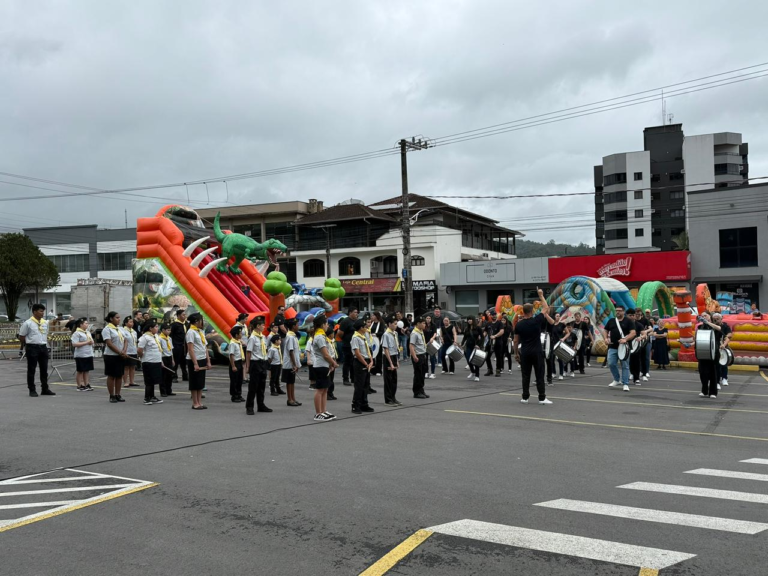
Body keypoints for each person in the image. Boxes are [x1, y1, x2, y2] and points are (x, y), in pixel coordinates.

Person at [514, 289, 553, 405]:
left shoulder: (519, 324)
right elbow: (546, 308)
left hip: (525, 352)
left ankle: (525, 397)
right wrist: (541, 295)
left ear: (523, 311)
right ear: (532, 311)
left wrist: (516, 353)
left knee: (525, 375)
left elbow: (515, 341)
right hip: (536, 352)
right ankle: (542, 398)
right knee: (539, 375)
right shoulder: (537, 321)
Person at [19, 304, 55, 398]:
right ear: (34, 312)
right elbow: (22, 336)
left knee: (44, 369)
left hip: (43, 347)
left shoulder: (44, 322)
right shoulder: (28, 323)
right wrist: (29, 345)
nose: (42, 313)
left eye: (43, 311)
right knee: (32, 369)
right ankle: (32, 389)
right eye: (40, 311)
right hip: (32, 347)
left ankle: (45, 389)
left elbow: (45, 334)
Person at [312, 315, 338, 421]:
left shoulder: (322, 336)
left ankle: (323, 410)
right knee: (320, 389)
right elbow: (325, 354)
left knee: (325, 389)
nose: (327, 326)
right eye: (326, 324)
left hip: (325, 365)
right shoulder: (319, 337)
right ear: (322, 324)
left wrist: (331, 364)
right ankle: (318, 413)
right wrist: (333, 363)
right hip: (320, 365)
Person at [605, 305, 637, 392]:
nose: (617, 312)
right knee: (611, 363)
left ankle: (625, 383)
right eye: (616, 310)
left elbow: (633, 333)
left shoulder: (629, 321)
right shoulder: (611, 321)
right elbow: (606, 330)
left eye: (619, 310)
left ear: (623, 312)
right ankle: (616, 379)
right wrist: (606, 338)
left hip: (624, 347)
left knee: (625, 366)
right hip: (613, 346)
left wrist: (625, 339)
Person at [245, 316, 272, 415]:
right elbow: (248, 352)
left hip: (263, 362)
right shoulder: (252, 338)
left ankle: (261, 405)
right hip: (255, 363)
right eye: (262, 325)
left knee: (262, 385)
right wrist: (248, 366)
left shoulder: (262, 337)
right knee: (253, 386)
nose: (264, 326)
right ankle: (249, 406)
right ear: (257, 326)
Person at [186, 313, 211, 410]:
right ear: (196, 321)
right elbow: (191, 349)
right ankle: (195, 403)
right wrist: (195, 363)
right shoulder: (191, 332)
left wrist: (208, 361)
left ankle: (200, 402)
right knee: (194, 382)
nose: (202, 321)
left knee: (201, 382)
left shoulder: (200, 331)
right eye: (201, 320)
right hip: (194, 360)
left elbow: (205, 347)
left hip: (202, 358)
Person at [102, 311, 127, 403]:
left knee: (119, 375)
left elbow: (125, 340)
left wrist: (124, 350)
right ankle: (111, 395)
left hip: (121, 355)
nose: (119, 319)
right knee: (112, 376)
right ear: (111, 319)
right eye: (117, 317)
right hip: (111, 356)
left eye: (119, 317)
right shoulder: (107, 329)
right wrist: (120, 352)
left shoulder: (120, 329)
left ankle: (118, 394)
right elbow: (109, 343)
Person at [137, 321, 164, 406]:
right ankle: (147, 397)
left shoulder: (155, 336)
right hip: (148, 361)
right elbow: (139, 350)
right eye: (155, 327)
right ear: (150, 328)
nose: (157, 328)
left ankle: (152, 396)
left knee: (154, 380)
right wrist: (142, 357)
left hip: (156, 361)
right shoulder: (145, 337)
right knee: (149, 381)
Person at [350, 318, 374, 414]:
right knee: (359, 385)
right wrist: (365, 363)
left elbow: (368, 350)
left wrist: (371, 360)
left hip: (367, 361)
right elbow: (357, 353)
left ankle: (364, 404)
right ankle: (356, 405)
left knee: (366, 385)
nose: (366, 328)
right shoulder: (355, 338)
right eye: (365, 327)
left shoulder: (363, 336)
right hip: (360, 362)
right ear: (360, 328)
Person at [696, 312, 721, 399]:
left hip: (713, 352)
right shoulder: (700, 327)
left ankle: (713, 392)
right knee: (702, 373)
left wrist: (707, 323)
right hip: (703, 352)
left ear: (710, 316)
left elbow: (719, 328)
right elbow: (698, 339)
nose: (703, 317)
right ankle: (704, 390)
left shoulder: (714, 325)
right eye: (702, 316)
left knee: (713, 373)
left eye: (705, 315)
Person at [381, 315, 401, 406]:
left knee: (394, 379)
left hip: (394, 356)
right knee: (388, 379)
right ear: (389, 324)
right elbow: (386, 349)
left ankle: (393, 397)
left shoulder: (395, 333)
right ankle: (388, 399)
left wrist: (396, 361)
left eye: (396, 324)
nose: (396, 325)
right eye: (395, 324)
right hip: (388, 357)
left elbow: (396, 348)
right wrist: (390, 363)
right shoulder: (386, 334)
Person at [70, 317, 95, 392]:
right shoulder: (77, 333)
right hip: (81, 354)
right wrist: (87, 342)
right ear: (81, 324)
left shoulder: (87, 332)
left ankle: (86, 384)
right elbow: (74, 344)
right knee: (80, 370)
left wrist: (91, 342)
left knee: (86, 370)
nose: (87, 324)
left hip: (88, 353)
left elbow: (91, 340)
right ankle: (79, 385)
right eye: (86, 323)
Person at [282, 318, 302, 407]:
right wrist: (294, 364)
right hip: (289, 364)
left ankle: (293, 398)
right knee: (289, 382)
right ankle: (289, 399)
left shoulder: (293, 336)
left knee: (292, 382)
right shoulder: (290, 337)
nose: (298, 326)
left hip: (292, 363)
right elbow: (291, 351)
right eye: (297, 324)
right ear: (293, 326)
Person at [410, 317, 430, 399]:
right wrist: (414, 356)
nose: (424, 325)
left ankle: (421, 390)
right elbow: (411, 346)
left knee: (422, 374)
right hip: (417, 355)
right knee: (418, 374)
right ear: (418, 323)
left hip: (423, 354)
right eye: (423, 323)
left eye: (425, 323)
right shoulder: (414, 333)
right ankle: (416, 392)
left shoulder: (421, 332)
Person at [338, 308, 359, 385]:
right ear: (350, 313)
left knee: (354, 362)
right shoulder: (345, 321)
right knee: (347, 362)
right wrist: (345, 339)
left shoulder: (356, 321)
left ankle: (353, 378)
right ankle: (345, 379)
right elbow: (340, 333)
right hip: (347, 345)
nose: (356, 314)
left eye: (357, 312)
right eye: (355, 312)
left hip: (355, 345)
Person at [713, 313, 732, 387]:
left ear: (721, 319)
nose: (716, 320)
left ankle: (724, 378)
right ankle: (716, 381)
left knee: (724, 363)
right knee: (716, 365)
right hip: (715, 347)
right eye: (714, 318)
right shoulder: (712, 326)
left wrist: (724, 344)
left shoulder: (725, 326)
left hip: (723, 346)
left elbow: (729, 335)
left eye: (717, 318)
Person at [228, 325, 245, 403]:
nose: (241, 335)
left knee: (239, 379)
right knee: (234, 380)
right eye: (240, 333)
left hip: (239, 362)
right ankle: (234, 396)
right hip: (235, 362)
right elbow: (231, 355)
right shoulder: (232, 343)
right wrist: (233, 366)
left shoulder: (238, 342)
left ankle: (239, 394)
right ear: (236, 335)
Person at [158, 323, 176, 397]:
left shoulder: (169, 338)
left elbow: (171, 350)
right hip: (163, 358)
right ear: (163, 330)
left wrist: (172, 360)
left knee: (169, 375)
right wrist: (161, 361)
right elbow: (159, 351)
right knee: (163, 376)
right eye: (168, 330)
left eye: (170, 330)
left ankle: (169, 390)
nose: (169, 331)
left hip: (169, 357)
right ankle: (163, 391)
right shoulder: (159, 339)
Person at [461, 317, 482, 382]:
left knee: (475, 361)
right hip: (468, 346)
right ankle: (472, 372)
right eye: (468, 320)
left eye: (470, 319)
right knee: (468, 359)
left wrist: (479, 345)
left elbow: (482, 337)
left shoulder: (478, 328)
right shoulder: (467, 328)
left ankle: (477, 376)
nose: (469, 321)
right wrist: (462, 344)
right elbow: (465, 337)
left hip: (475, 346)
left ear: (473, 320)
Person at [171, 310, 188, 382]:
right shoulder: (174, 325)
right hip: (177, 346)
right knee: (176, 362)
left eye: (185, 315)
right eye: (183, 315)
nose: (184, 316)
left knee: (184, 362)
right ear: (178, 316)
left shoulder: (186, 324)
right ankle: (174, 376)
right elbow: (171, 336)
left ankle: (185, 376)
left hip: (184, 346)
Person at [121, 317, 139, 388]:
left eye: (132, 322)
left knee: (132, 366)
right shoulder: (123, 331)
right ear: (126, 323)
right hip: (126, 351)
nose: (132, 323)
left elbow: (135, 342)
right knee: (126, 367)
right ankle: (125, 382)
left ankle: (132, 381)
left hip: (133, 350)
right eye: (130, 322)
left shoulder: (134, 331)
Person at [370, 311, 385, 376]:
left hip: (378, 341)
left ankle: (379, 370)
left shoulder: (381, 323)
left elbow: (382, 332)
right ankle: (372, 370)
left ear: (376, 316)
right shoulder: (371, 323)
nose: (372, 317)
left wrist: (375, 334)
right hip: (372, 341)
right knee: (372, 355)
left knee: (378, 356)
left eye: (373, 315)